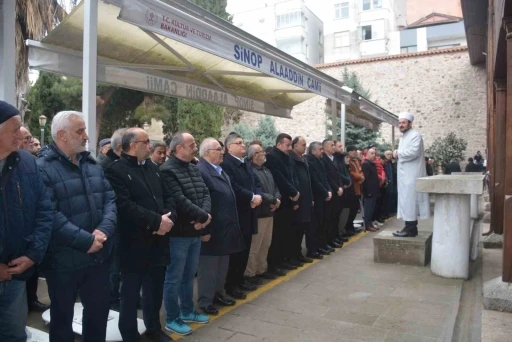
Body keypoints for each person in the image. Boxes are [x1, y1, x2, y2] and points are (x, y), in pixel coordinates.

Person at [37, 111, 117, 342]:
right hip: (64, 261)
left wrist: (103, 231)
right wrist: (86, 241)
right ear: (61, 135)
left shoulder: (92, 165)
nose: (86, 136)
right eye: (80, 131)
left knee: (98, 317)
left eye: (85, 130)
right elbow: (49, 214)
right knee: (62, 322)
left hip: (98, 258)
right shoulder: (42, 168)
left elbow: (110, 200)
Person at [105, 128, 176, 342]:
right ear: (133, 145)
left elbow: (167, 196)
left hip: (158, 240)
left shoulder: (153, 169)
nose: (150, 147)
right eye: (146, 142)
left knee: (155, 290)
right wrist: (156, 221)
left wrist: (167, 219)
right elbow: (124, 206)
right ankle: (129, 334)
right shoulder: (115, 170)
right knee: (130, 293)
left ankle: (154, 328)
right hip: (133, 243)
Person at [0, 101, 52, 342]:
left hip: (16, 277)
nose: (20, 134)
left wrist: (33, 255)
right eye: (14, 129)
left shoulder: (27, 163)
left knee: (14, 335)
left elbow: (44, 211)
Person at [160, 132, 212, 336]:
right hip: (178, 234)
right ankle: (172, 318)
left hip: (195, 231)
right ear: (179, 148)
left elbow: (205, 192)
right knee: (174, 278)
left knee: (189, 276)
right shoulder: (167, 171)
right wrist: (202, 217)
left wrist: (205, 216)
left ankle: (187, 311)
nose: (195, 147)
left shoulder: (193, 167)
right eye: (191, 144)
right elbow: (178, 200)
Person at [197, 138, 245, 315]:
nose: (222, 152)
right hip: (213, 227)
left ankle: (218, 293)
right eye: (219, 149)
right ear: (207, 152)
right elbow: (203, 201)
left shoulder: (220, 170)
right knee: (208, 267)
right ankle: (205, 300)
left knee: (222, 265)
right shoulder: (202, 171)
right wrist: (205, 229)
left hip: (226, 227)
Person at [221, 133, 263, 298]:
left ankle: (239, 280)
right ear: (229, 147)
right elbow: (234, 186)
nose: (243, 145)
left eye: (243, 142)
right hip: (238, 213)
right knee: (237, 251)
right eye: (238, 143)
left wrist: (257, 196)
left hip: (250, 210)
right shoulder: (227, 164)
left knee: (245, 248)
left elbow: (256, 182)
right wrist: (251, 197)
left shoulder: (244, 163)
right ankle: (231, 285)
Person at [18, 126, 50, 313]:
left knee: (31, 274)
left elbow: (43, 206)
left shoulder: (32, 164)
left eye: (31, 137)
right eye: (25, 138)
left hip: (31, 237)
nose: (30, 141)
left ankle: (31, 300)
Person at [265, 133, 300, 275]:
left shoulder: (287, 156)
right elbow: (280, 178)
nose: (290, 148)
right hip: (281, 202)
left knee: (287, 233)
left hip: (290, 200)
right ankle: (274, 264)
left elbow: (292, 176)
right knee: (278, 235)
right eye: (287, 145)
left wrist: (296, 194)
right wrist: (293, 192)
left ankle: (284, 260)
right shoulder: (273, 157)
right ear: (279, 144)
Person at [246, 143, 282, 279]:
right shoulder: (251, 171)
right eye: (261, 152)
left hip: (270, 212)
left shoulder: (266, 170)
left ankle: (261, 270)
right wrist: (274, 200)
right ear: (254, 156)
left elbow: (275, 187)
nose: (264, 154)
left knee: (266, 244)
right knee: (255, 247)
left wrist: (277, 200)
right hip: (259, 214)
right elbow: (258, 192)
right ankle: (250, 274)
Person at [392, 112, 430, 237]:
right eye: (400, 123)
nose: (401, 125)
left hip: (411, 175)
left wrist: (398, 153)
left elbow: (413, 152)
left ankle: (411, 228)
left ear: (410, 123)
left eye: (403, 122)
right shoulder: (403, 137)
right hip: (404, 175)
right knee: (405, 201)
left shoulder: (415, 135)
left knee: (410, 201)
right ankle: (409, 227)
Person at [289, 137, 314, 264]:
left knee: (302, 228)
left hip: (306, 200)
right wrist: (295, 201)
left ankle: (298, 254)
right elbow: (294, 181)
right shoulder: (291, 159)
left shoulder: (303, 159)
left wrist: (311, 199)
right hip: (298, 200)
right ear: (295, 146)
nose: (305, 146)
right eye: (303, 144)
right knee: (296, 230)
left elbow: (307, 181)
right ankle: (294, 255)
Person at [305, 142, 331, 257]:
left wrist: (328, 190)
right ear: (313, 151)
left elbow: (325, 178)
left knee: (322, 222)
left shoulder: (320, 161)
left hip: (323, 196)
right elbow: (315, 181)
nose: (322, 151)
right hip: (317, 196)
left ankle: (321, 245)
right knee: (314, 226)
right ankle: (313, 249)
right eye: (320, 149)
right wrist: (325, 192)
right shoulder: (310, 162)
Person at [321, 139, 344, 249]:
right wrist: (336, 188)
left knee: (335, 217)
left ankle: (334, 237)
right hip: (332, 192)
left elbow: (337, 174)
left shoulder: (333, 158)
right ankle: (329, 239)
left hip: (337, 191)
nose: (334, 147)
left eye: (334, 145)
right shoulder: (324, 159)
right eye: (331, 145)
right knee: (329, 218)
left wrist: (340, 185)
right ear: (325, 148)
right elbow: (328, 177)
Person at [333, 141, 353, 239]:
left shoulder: (340, 158)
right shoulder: (334, 159)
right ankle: (337, 234)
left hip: (344, 189)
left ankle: (340, 232)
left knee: (342, 213)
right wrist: (345, 181)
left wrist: (348, 181)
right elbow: (336, 173)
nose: (342, 148)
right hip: (338, 189)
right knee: (336, 215)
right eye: (339, 146)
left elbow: (345, 172)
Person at [347, 145, 365, 231]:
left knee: (355, 208)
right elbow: (351, 173)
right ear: (349, 152)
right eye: (352, 151)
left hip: (358, 187)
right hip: (353, 187)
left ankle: (351, 226)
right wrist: (360, 177)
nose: (354, 152)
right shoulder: (348, 161)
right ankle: (349, 226)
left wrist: (361, 176)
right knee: (352, 208)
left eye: (355, 150)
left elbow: (360, 170)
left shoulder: (356, 161)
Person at [362, 148, 379, 232]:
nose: (374, 155)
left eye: (374, 153)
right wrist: (368, 191)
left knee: (372, 209)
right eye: (372, 153)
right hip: (369, 191)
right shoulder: (365, 164)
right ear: (367, 154)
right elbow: (366, 179)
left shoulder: (372, 164)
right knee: (368, 210)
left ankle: (370, 223)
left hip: (374, 190)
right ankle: (367, 225)